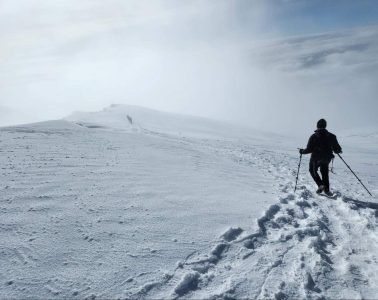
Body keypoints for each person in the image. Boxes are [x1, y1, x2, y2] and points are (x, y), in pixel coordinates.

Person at [299, 119, 342, 196]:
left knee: (312, 170)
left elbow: (309, 149)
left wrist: (302, 151)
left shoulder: (314, 136)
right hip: (327, 158)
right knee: (324, 172)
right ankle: (327, 190)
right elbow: (337, 149)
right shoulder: (332, 136)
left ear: (317, 126)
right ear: (325, 126)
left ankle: (320, 185)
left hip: (316, 158)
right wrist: (337, 151)